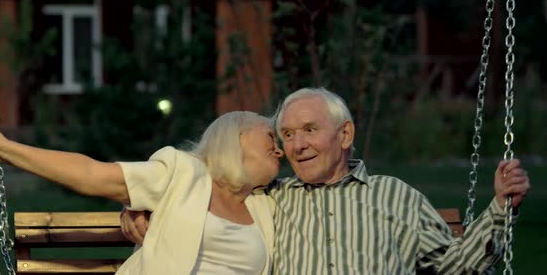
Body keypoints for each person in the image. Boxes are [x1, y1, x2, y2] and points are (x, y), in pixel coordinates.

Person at [122, 87, 531, 274]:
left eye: (310, 130)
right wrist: (141, 207)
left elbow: (455, 264)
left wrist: (500, 208)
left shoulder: (395, 196)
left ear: (345, 136)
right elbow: (204, 185)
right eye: (287, 134)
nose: (297, 145)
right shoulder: (272, 198)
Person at [0, 110, 284, 274]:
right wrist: (6, 149)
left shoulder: (263, 205)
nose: (280, 150)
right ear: (236, 136)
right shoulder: (182, 174)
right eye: (270, 137)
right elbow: (92, 175)